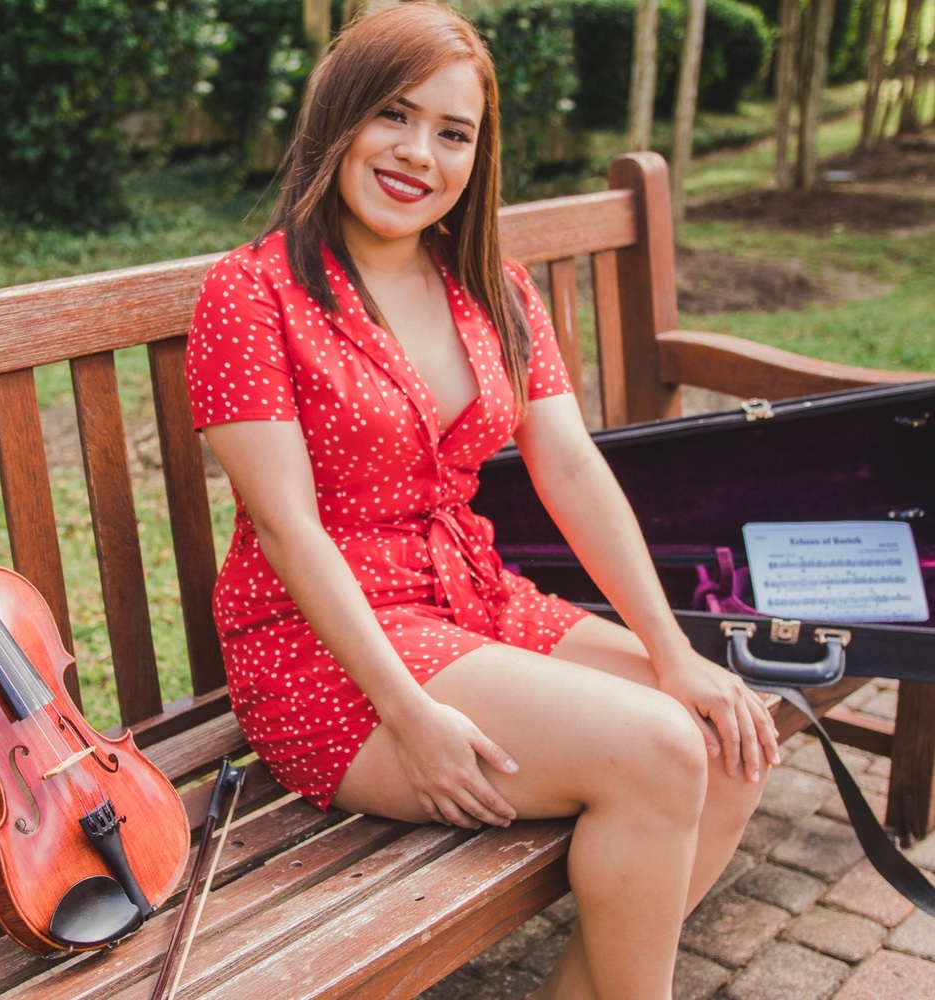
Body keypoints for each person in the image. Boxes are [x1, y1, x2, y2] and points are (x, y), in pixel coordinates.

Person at [185, 3, 780, 998]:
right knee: (661, 750)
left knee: (726, 730)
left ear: (479, 153)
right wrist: (408, 712)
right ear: (338, 118)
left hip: (473, 603)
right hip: (328, 649)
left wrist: (675, 653)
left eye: (452, 133)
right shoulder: (252, 296)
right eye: (394, 116)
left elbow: (572, 469)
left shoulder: (492, 290)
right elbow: (286, 529)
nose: (420, 152)